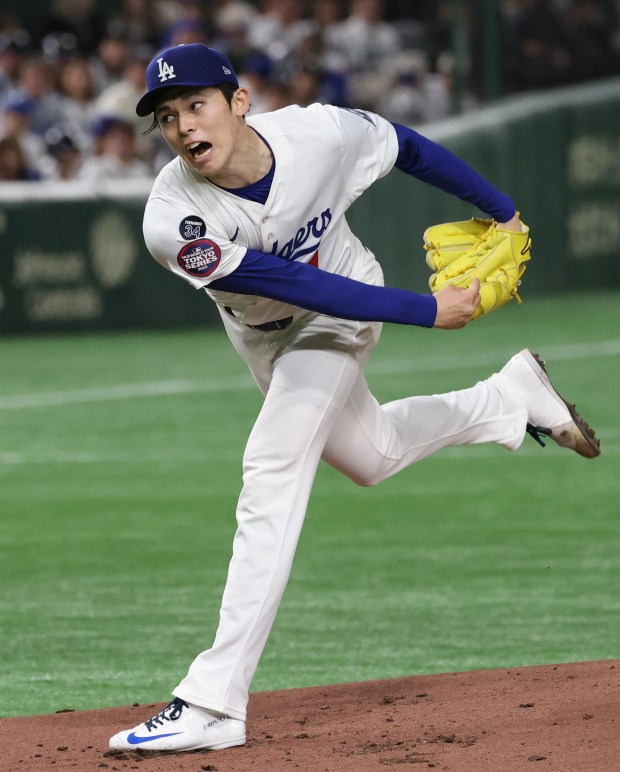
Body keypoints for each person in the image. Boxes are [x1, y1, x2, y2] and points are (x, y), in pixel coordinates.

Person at [109, 42, 599, 754]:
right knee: (372, 455)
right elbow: (288, 284)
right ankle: (507, 399)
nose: (183, 126)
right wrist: (425, 309)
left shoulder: (317, 133)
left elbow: (405, 146)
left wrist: (504, 211)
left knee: (271, 467)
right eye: (166, 117)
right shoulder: (172, 221)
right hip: (268, 332)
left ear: (238, 101)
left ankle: (214, 701)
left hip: (341, 309)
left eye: (195, 104)